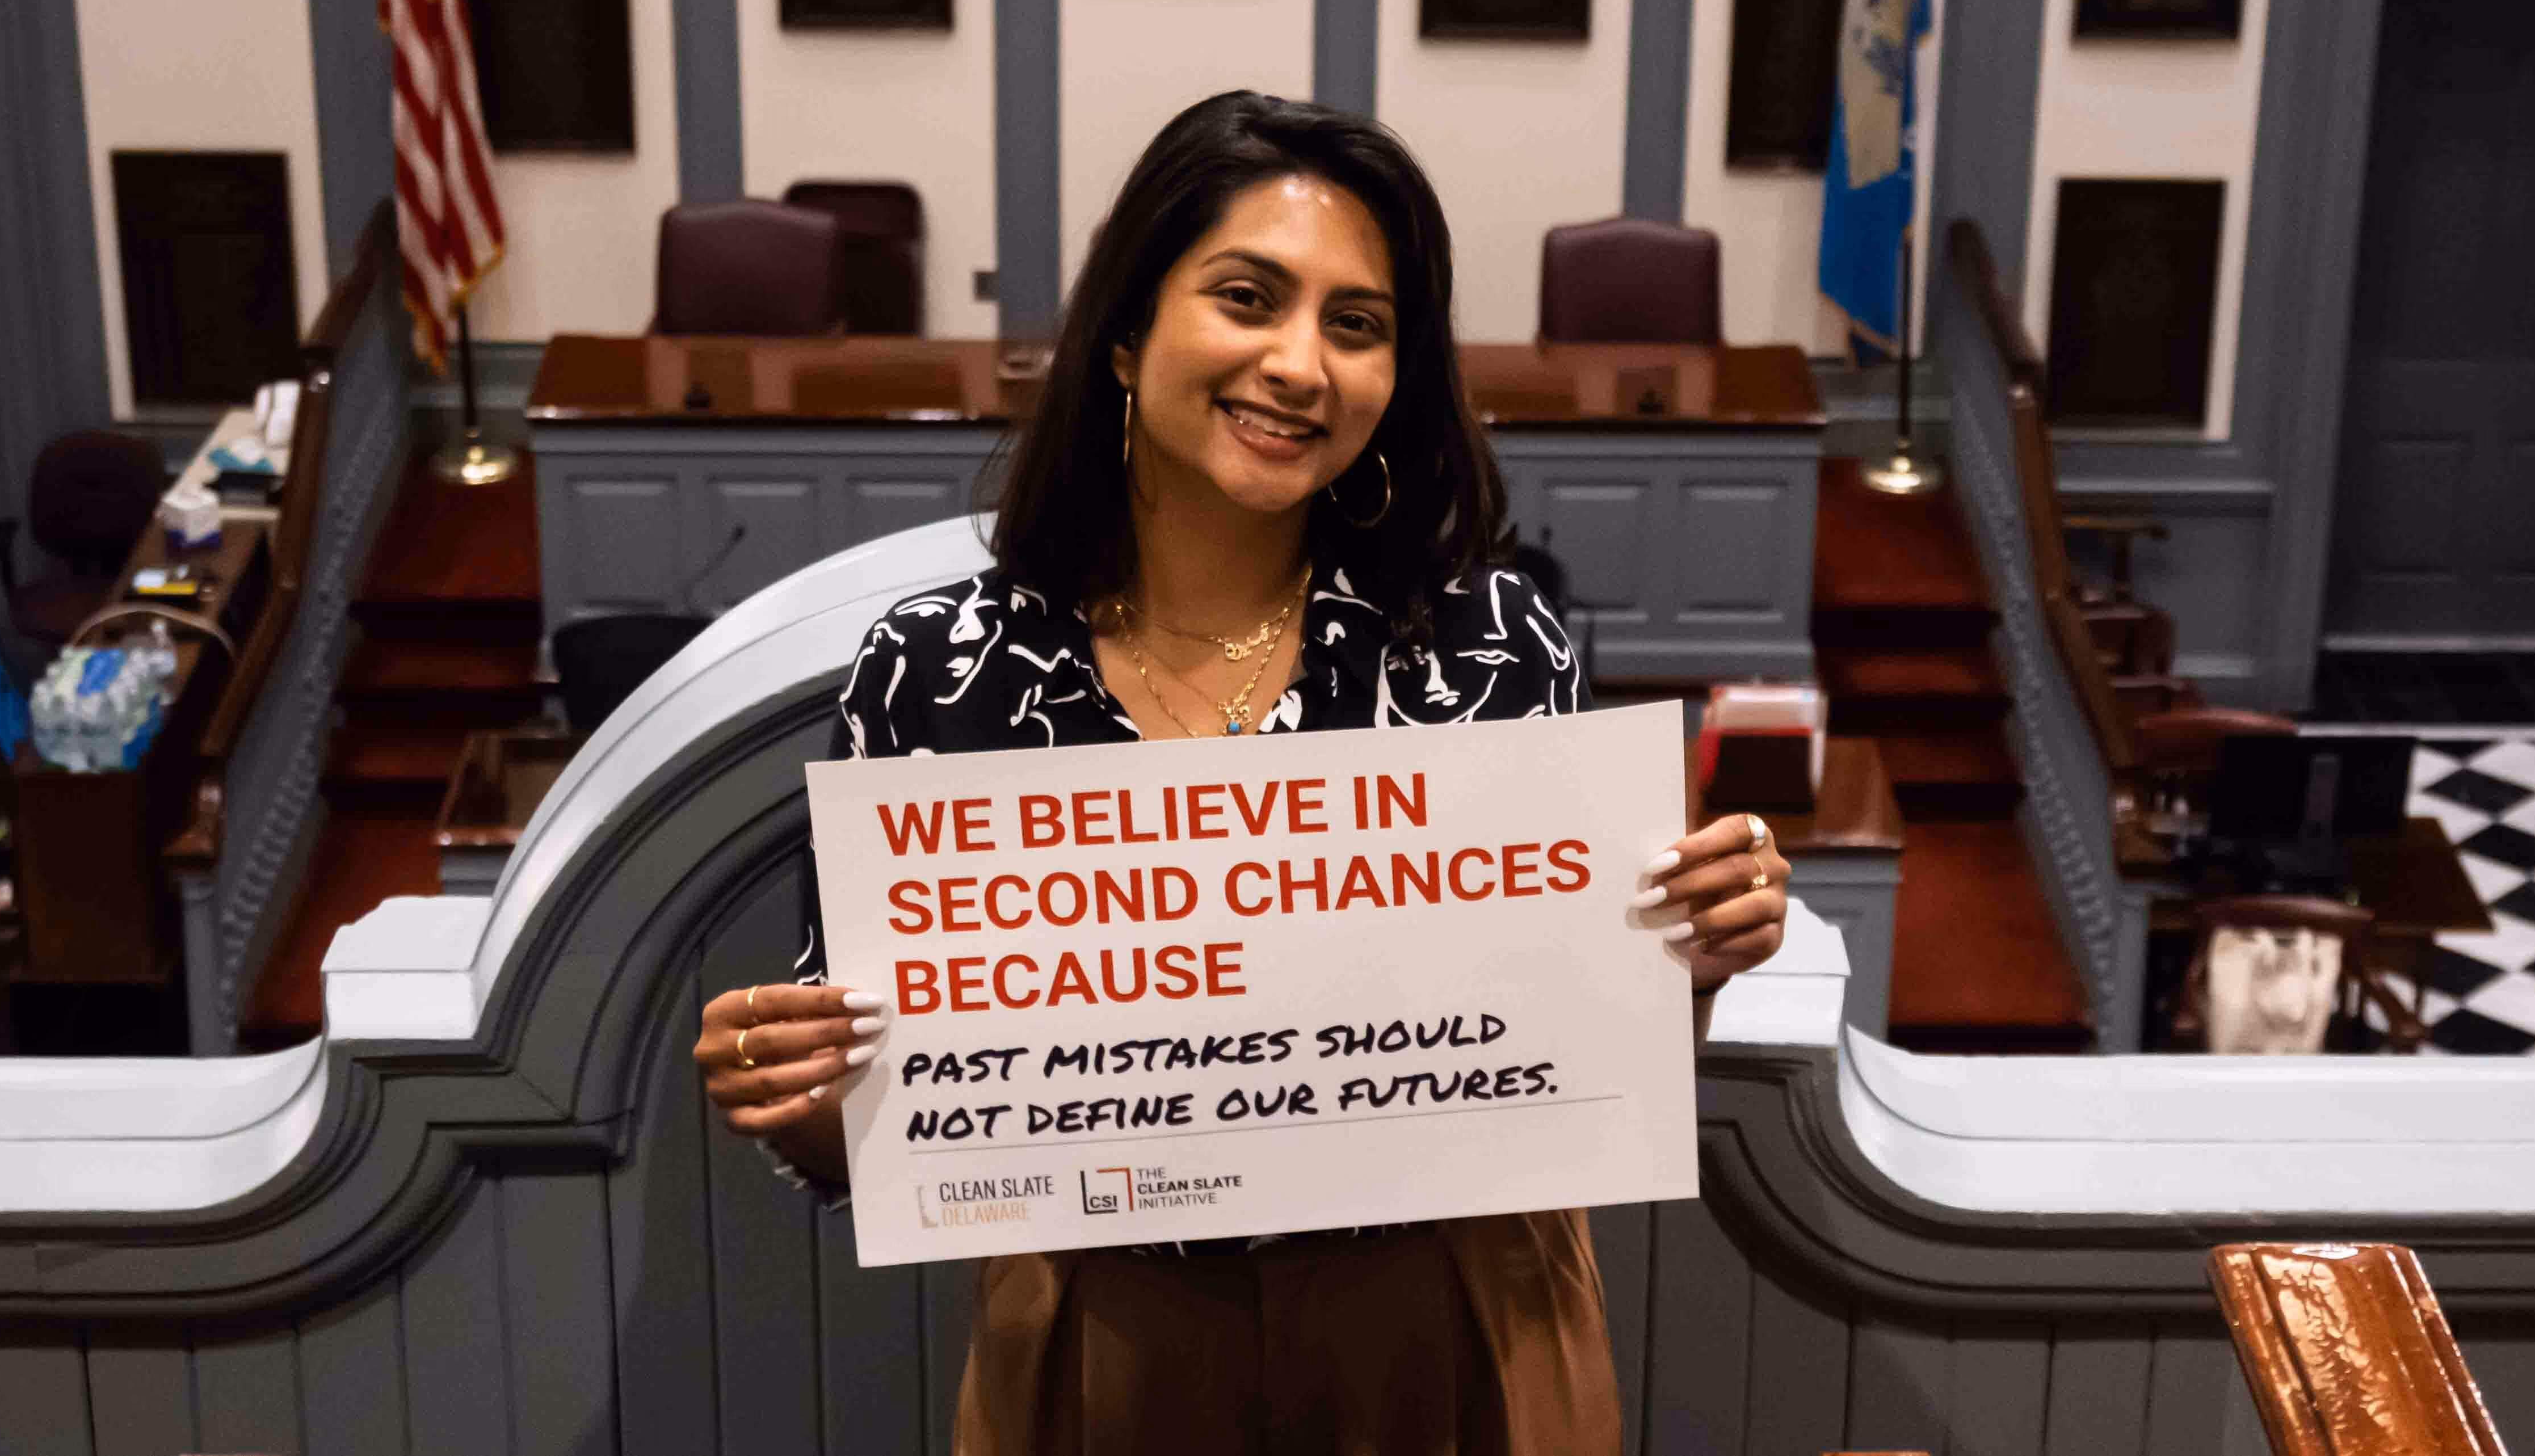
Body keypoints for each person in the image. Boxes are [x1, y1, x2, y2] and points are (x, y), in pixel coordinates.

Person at [692, 91, 1792, 1454]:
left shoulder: (1491, 644)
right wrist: (792, 1103)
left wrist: (1683, 964)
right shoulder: (939, 667)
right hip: (1107, 1332)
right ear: (1124, 332)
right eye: (1248, 297)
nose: (1301, 365)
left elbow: (1572, 1058)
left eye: (1358, 325)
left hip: (1455, 1311)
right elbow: (877, 1123)